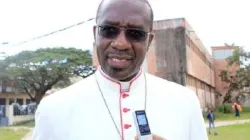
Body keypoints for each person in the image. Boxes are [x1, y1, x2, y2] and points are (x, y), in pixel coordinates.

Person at [32, 0, 208, 139]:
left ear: (149, 41)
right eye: (109, 30)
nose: (120, 43)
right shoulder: (53, 108)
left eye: (136, 33)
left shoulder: (185, 102)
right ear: (95, 34)